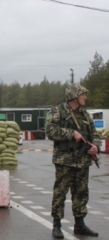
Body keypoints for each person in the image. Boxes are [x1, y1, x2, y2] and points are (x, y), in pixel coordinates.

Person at [45, 84, 100, 238]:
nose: (85, 97)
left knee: (81, 193)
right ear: (75, 96)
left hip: (82, 161)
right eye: (83, 94)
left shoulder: (86, 115)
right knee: (60, 192)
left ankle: (80, 224)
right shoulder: (57, 111)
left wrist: (96, 146)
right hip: (65, 160)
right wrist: (71, 134)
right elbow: (49, 131)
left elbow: (94, 134)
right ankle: (57, 225)